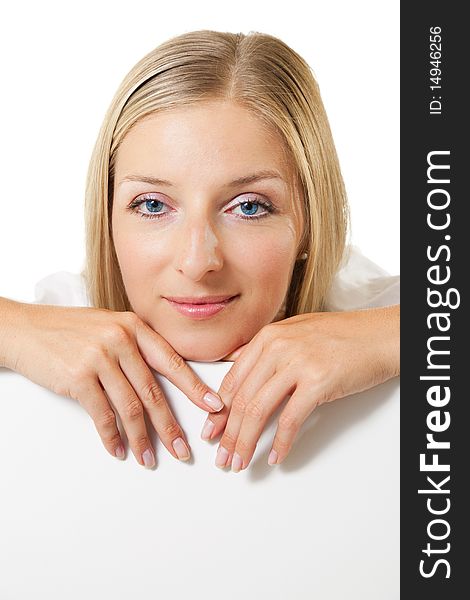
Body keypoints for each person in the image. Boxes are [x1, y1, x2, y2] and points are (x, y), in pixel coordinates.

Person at [0, 29, 399, 473]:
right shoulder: (59, 322)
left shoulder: (373, 317)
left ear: (309, 222)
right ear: (107, 217)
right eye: (152, 205)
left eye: (248, 206)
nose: (197, 262)